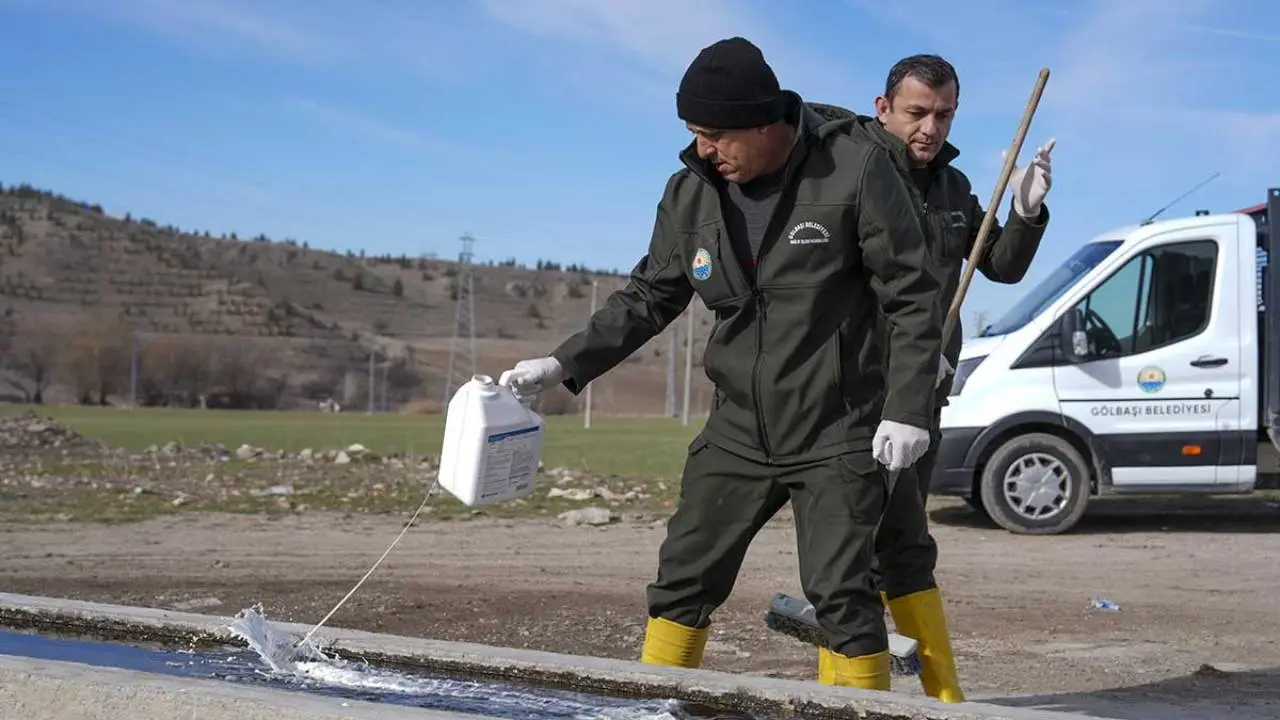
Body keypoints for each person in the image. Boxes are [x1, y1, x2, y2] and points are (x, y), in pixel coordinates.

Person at [498, 37, 944, 691]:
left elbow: (913, 295)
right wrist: (562, 363)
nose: (704, 149)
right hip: (739, 427)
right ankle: (656, 707)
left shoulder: (854, 170)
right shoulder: (691, 194)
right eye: (694, 133)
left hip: (837, 427)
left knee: (843, 598)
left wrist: (906, 408)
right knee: (682, 577)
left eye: (716, 134)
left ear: (767, 123)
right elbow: (650, 296)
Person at [806, 54, 1055, 703]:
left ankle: (945, 701)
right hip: (856, 393)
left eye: (944, 114)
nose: (931, 127)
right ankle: (845, 695)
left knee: (908, 538)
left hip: (922, 397)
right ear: (884, 107)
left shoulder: (953, 188)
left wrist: (1026, 211)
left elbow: (995, 264)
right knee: (847, 544)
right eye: (918, 112)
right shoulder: (844, 173)